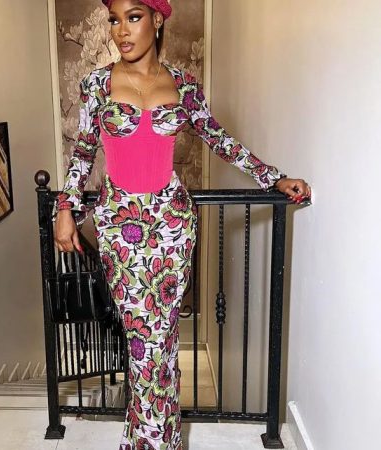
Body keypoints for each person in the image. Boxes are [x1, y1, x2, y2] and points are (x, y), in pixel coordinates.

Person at [53, 0, 311, 448]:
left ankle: (155, 439)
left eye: (133, 17)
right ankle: (154, 440)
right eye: (114, 20)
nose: (121, 30)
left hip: (172, 224)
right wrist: (64, 208)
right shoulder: (96, 83)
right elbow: (83, 150)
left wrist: (272, 177)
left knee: (164, 339)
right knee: (143, 342)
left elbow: (220, 139)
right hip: (121, 226)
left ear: (157, 19)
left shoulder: (185, 85)